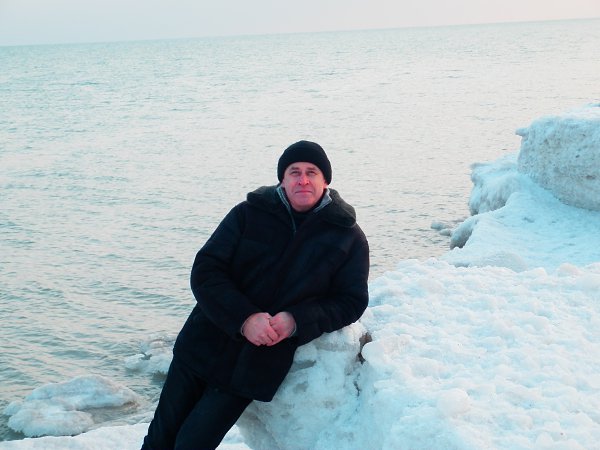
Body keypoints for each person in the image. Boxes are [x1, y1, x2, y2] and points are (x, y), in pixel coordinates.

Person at [141, 140, 370, 449]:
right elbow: (206, 270)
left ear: (325, 181)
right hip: (201, 344)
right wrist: (245, 318)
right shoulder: (248, 214)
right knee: (159, 439)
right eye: (294, 172)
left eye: (311, 172)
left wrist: (296, 321)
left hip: (255, 364)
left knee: (192, 444)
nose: (303, 180)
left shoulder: (347, 237)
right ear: (282, 180)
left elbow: (351, 301)